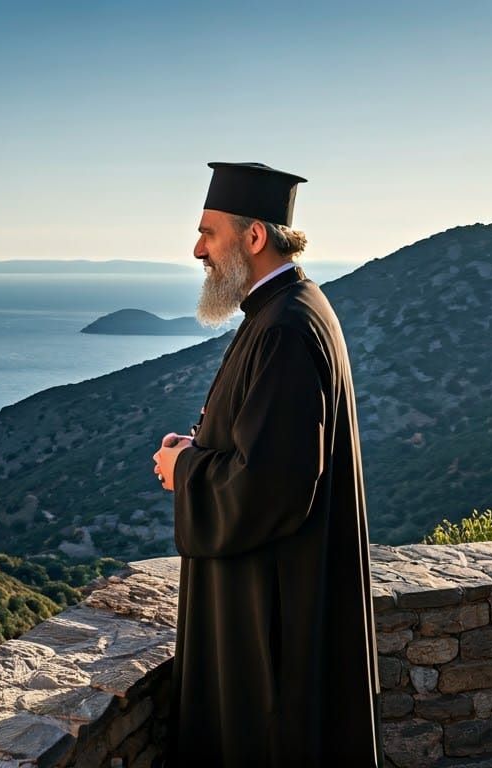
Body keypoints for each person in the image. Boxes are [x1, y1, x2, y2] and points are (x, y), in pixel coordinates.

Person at [150, 162, 381, 767]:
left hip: (270, 609)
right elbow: (264, 441)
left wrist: (184, 473)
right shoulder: (285, 311)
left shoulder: (284, 328)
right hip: (277, 589)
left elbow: (272, 484)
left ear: (254, 237)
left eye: (209, 232)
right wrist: (196, 450)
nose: (197, 249)